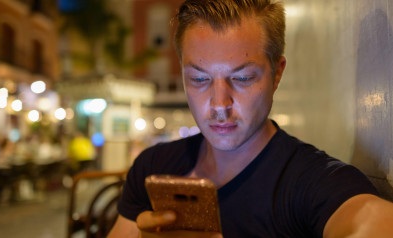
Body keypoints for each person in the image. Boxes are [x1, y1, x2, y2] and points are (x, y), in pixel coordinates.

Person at [108, 0, 393, 237]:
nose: (219, 104)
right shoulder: (153, 167)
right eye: (198, 79)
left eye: (242, 78)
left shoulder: (311, 182)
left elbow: (367, 219)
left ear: (277, 74)